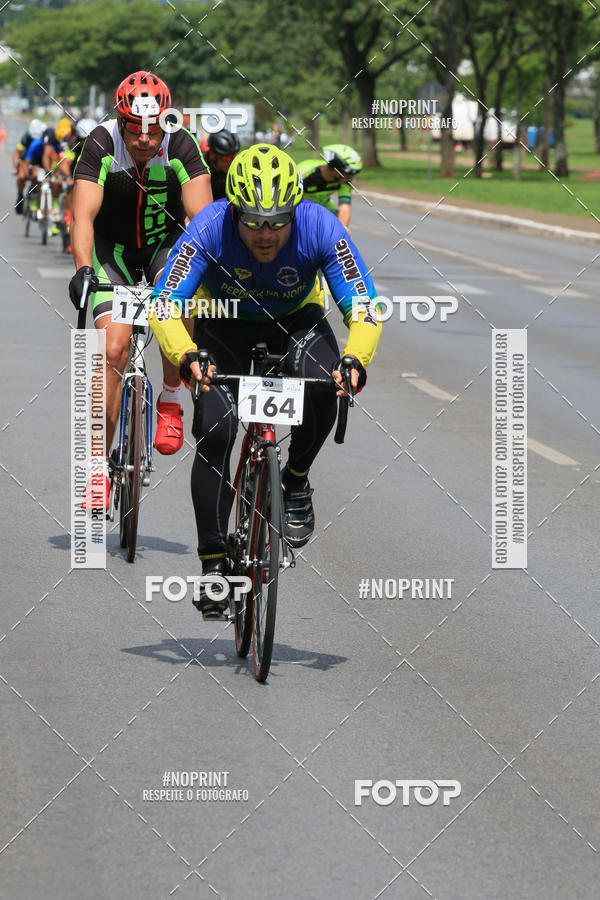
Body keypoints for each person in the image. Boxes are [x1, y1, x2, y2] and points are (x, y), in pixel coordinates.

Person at [147, 143, 382, 617]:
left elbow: (365, 306)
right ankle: (214, 564)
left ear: (295, 210)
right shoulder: (210, 225)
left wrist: (356, 359)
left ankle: (295, 480)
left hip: (296, 320)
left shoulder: (320, 225)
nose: (266, 233)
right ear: (234, 210)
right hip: (225, 320)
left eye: (277, 221)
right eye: (252, 221)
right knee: (216, 429)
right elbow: (163, 303)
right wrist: (185, 354)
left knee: (322, 388)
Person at [69, 70, 212, 507]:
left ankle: (170, 399)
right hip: (111, 252)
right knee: (114, 347)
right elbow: (84, 218)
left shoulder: (182, 144)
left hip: (162, 246)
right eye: (136, 128)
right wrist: (82, 270)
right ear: (121, 120)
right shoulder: (100, 142)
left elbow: (202, 220)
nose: (146, 138)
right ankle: (97, 466)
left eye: (154, 128)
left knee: (183, 292)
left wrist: (206, 271)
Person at [298, 144, 362, 230]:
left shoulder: (344, 181)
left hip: (323, 203)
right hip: (298, 203)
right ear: (336, 171)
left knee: (336, 222)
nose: (351, 178)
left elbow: (345, 208)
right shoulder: (304, 172)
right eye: (349, 174)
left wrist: (342, 235)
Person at [13, 119, 45, 213]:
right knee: (22, 176)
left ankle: (34, 195)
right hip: (26, 159)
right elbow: (17, 152)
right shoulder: (26, 136)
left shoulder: (44, 134)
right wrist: (17, 166)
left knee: (35, 177)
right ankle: (20, 196)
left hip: (38, 161)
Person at [199, 129, 240, 200]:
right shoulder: (198, 169)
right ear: (213, 155)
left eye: (233, 157)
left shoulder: (236, 169)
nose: (230, 162)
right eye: (227, 158)